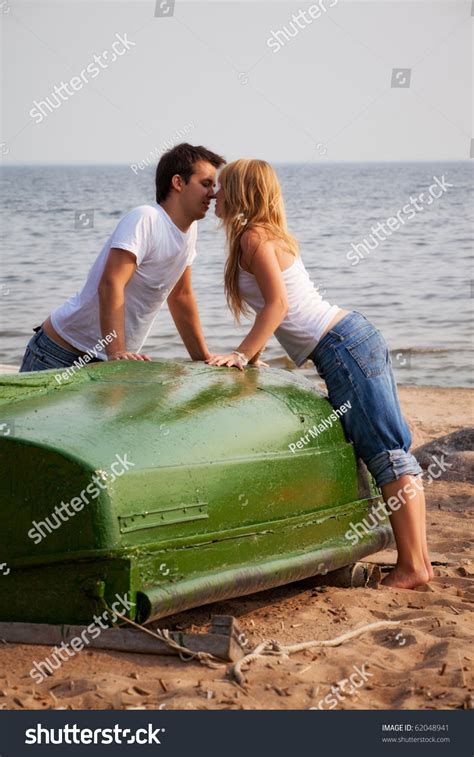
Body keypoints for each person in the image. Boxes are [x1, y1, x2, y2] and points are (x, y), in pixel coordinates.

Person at [207, 158, 432, 589]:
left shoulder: (255, 236)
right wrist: (254, 360)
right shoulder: (259, 235)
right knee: (390, 448)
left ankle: (413, 567)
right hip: (346, 343)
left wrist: (241, 353)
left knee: (386, 451)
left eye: (221, 187)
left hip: (343, 345)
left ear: (240, 192)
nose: (215, 194)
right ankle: (416, 562)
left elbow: (278, 306)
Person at [19, 143, 225, 372]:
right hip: (60, 354)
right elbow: (111, 284)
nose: (213, 194)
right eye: (206, 184)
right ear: (178, 183)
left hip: (107, 360)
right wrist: (116, 352)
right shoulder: (146, 218)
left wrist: (204, 358)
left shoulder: (189, 232)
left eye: (214, 186)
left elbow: (181, 296)